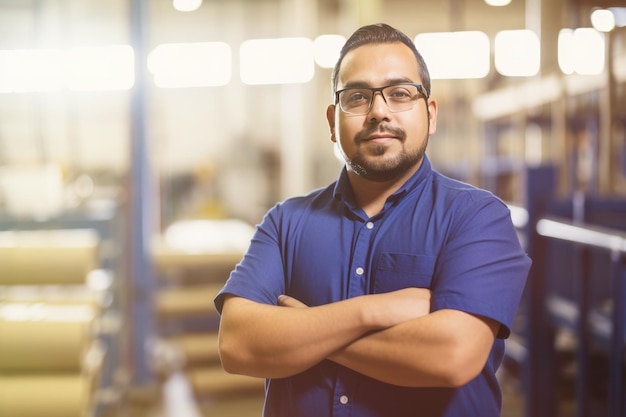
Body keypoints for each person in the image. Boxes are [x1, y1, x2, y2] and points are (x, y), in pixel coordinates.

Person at [214, 23, 531, 417]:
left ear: (430, 115)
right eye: (358, 97)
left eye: (399, 94)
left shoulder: (476, 219)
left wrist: (307, 331)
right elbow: (237, 344)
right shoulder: (285, 223)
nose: (379, 111)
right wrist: (374, 311)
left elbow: (452, 355)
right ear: (333, 121)